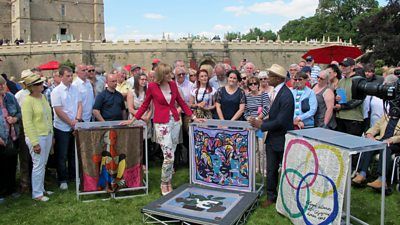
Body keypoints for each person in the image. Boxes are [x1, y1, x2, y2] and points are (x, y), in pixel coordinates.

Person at [121, 63, 201, 196]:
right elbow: (145, 104)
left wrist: (193, 117)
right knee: (168, 156)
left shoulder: (173, 85)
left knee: (172, 155)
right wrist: (133, 120)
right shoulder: (152, 87)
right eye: (168, 73)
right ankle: (164, 183)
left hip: (175, 122)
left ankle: (168, 181)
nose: (171, 75)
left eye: (171, 73)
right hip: (161, 123)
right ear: (161, 75)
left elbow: (181, 102)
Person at [249, 64, 294, 208]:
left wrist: (261, 125)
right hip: (274, 138)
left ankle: (287, 197)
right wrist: (261, 121)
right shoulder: (277, 92)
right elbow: (274, 117)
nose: (267, 78)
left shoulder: (286, 95)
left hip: (281, 138)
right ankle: (271, 196)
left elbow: (281, 121)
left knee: (285, 170)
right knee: (271, 169)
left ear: (278, 78)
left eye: (270, 75)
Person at [21, 74, 53, 201]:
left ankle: (41, 189)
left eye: (41, 83)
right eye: (39, 84)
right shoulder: (27, 101)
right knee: (38, 164)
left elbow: (49, 117)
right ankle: (37, 194)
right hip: (37, 137)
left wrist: (52, 134)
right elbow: (27, 123)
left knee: (43, 164)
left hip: (47, 134)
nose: (42, 85)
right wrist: (35, 143)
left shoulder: (43, 97)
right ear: (32, 87)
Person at [50, 66, 82, 190]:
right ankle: (62, 179)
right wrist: (71, 122)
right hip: (62, 127)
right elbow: (58, 110)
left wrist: (77, 120)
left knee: (73, 153)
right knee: (62, 155)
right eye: (67, 76)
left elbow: (80, 105)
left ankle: (73, 176)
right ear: (61, 76)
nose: (70, 78)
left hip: (74, 125)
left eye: (71, 76)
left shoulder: (75, 89)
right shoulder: (56, 91)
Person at [0, 75, 21, 201]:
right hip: (1, 138)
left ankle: (11, 189)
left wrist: (15, 119)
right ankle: (1, 192)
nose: (2, 87)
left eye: (3, 84)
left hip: (12, 136)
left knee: (11, 163)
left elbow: (19, 112)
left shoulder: (10, 97)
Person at [244, 76, 270, 175]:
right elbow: (245, 111)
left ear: (258, 84)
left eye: (255, 83)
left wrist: (258, 118)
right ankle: (256, 168)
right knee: (254, 148)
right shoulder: (247, 96)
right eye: (251, 84)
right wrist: (248, 119)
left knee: (262, 149)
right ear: (248, 86)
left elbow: (267, 108)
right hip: (251, 125)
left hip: (261, 124)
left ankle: (264, 169)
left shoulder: (264, 95)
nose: (253, 85)